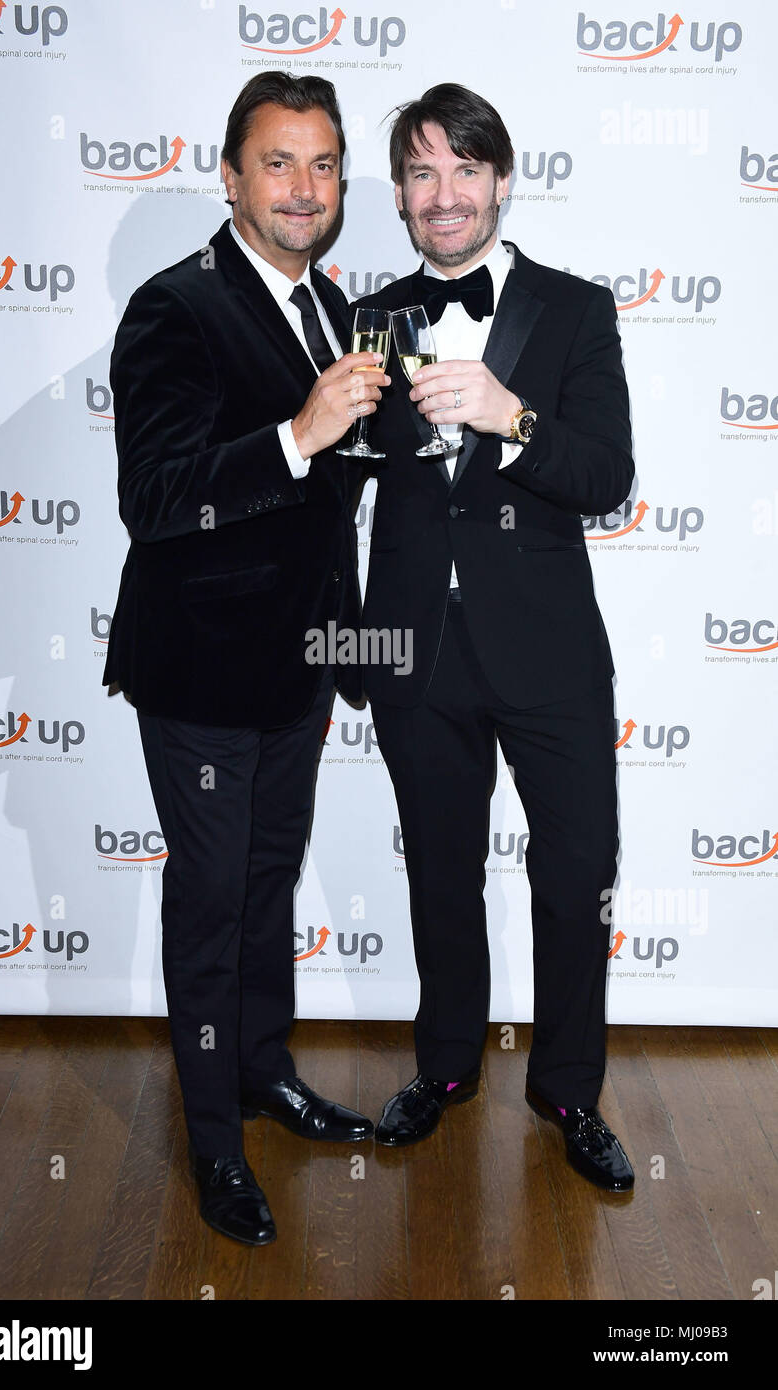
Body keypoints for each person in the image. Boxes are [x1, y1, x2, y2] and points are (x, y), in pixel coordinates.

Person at [103, 72, 389, 1245]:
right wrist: (300, 432)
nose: (305, 188)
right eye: (280, 163)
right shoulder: (176, 308)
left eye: (324, 165)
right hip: (204, 673)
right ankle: (215, 1141)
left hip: (297, 664)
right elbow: (159, 500)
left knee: (267, 882)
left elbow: (324, 496)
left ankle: (264, 1070)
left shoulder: (326, 303)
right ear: (229, 177)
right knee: (213, 904)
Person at [357, 84, 635, 1191]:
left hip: (552, 650)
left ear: (502, 180)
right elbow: (338, 480)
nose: (446, 194)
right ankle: (443, 1068)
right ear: (398, 196)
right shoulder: (365, 311)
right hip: (417, 652)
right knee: (437, 870)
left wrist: (507, 415)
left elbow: (607, 477)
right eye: (422, 174)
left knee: (578, 873)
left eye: (465, 169)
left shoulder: (575, 308)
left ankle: (570, 1087)